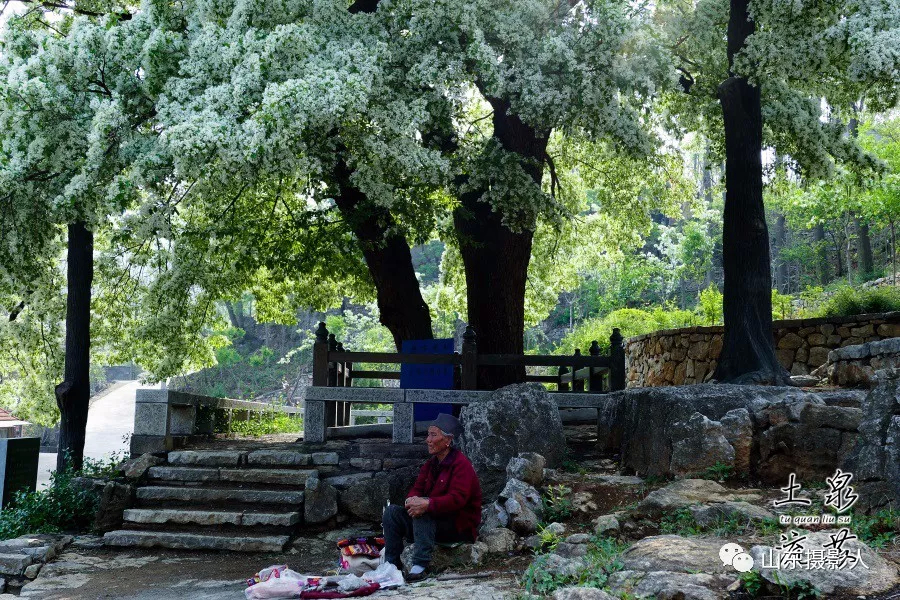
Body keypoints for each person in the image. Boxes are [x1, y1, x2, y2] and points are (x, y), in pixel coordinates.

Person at [381, 413, 482, 581]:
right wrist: (411, 500)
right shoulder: (431, 464)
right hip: (429, 525)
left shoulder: (461, 465)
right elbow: (416, 488)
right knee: (392, 512)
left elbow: (458, 499)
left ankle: (420, 566)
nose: (428, 439)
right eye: (428, 434)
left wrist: (427, 504)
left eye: (433, 435)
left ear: (448, 440)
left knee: (424, 510)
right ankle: (392, 564)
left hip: (457, 527)